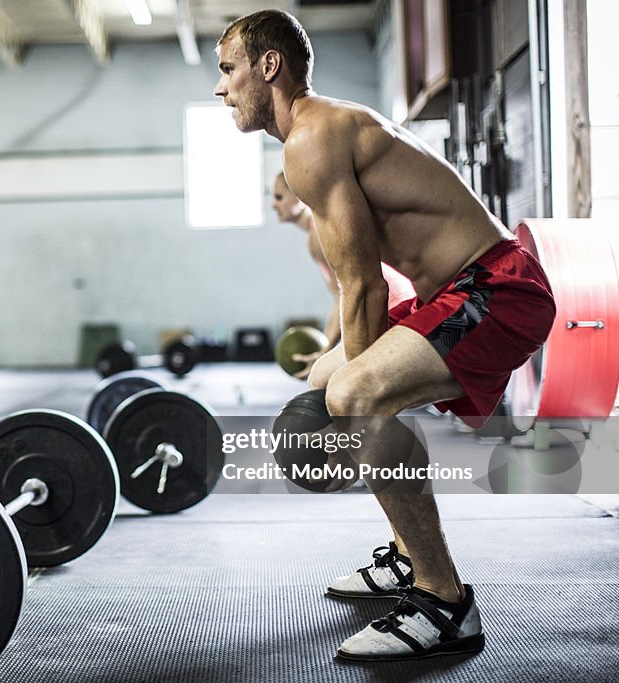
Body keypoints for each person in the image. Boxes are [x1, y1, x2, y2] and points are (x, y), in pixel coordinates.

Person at [216, 10, 555, 661]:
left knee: (356, 395)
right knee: (329, 380)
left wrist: (346, 418)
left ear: (269, 66)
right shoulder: (321, 127)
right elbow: (357, 291)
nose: (221, 87)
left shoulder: (310, 140)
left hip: (497, 291)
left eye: (228, 70)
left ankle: (444, 599)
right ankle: (407, 553)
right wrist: (335, 383)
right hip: (457, 293)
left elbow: (366, 288)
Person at [272, 172, 416, 378]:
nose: (273, 205)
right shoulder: (315, 234)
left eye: (279, 197)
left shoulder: (318, 235)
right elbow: (338, 296)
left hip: (390, 307)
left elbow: (346, 294)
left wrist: (326, 349)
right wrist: (327, 345)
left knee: (322, 378)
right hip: (382, 305)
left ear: (299, 197)